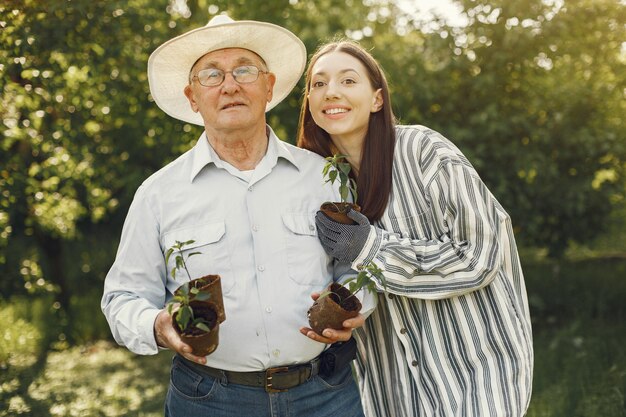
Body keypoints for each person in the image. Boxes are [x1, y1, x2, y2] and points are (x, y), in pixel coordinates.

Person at [101, 16, 366, 417]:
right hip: (209, 399)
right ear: (192, 97)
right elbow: (122, 298)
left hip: (324, 394)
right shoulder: (158, 194)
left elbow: (359, 266)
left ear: (269, 86)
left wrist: (355, 303)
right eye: (211, 75)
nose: (229, 85)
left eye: (244, 70)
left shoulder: (324, 177)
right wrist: (158, 324)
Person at [297, 40, 534, 417]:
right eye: (319, 84)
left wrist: (371, 250)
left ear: (377, 99)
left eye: (347, 80)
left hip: (475, 379)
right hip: (394, 392)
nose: (332, 92)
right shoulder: (321, 185)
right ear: (309, 101)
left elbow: (480, 255)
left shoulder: (423, 151)